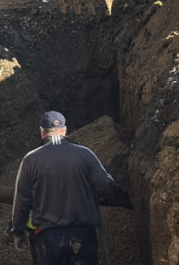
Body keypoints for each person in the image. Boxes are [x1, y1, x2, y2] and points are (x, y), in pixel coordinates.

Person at [6, 111, 114, 264]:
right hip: (83, 234)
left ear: (42, 131)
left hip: (48, 237)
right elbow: (106, 185)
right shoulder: (85, 154)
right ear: (65, 130)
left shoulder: (30, 160)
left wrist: (18, 232)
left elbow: (22, 201)